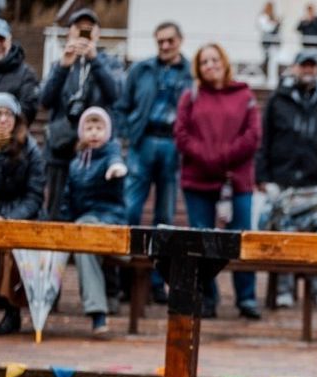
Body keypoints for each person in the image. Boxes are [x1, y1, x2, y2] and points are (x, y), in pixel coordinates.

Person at [174, 43, 261, 320]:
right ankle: (208, 297)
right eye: (204, 61)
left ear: (224, 61)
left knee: (242, 238)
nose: (210, 65)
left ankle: (246, 298)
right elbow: (182, 134)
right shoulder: (191, 97)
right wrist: (208, 159)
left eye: (214, 59)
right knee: (201, 239)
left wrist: (222, 159)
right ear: (198, 68)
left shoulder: (244, 94)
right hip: (198, 180)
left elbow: (252, 136)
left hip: (236, 182)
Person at [114, 21, 193, 304]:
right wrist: (127, 135)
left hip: (172, 144)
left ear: (180, 40)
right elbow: (122, 105)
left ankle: (159, 282)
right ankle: (125, 280)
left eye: (170, 40)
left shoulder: (190, 73)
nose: (165, 46)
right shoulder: (141, 69)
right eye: (160, 41)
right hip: (143, 141)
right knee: (131, 210)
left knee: (165, 216)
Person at [256, 49, 317, 309]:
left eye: (313, 65)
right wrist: (263, 177)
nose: (308, 70)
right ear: (295, 68)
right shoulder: (278, 100)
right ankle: (284, 289)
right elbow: (265, 140)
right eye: (303, 65)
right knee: (284, 234)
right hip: (283, 179)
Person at [40, 7, 123, 219]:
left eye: (89, 29)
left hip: (95, 153)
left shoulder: (110, 62)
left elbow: (115, 95)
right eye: (78, 28)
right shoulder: (59, 63)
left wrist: (95, 60)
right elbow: (45, 100)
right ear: (69, 32)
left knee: (90, 210)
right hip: (61, 150)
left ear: (97, 33)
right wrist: (63, 67)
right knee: (57, 210)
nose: (83, 33)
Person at [59, 107, 127, 336]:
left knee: (85, 238)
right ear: (82, 132)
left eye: (99, 128)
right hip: (83, 226)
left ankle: (98, 313)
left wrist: (117, 169)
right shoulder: (76, 163)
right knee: (82, 242)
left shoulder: (112, 152)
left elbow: (116, 162)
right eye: (89, 128)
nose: (94, 133)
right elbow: (68, 199)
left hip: (110, 223)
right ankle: (98, 311)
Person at [0, 92, 45, 335]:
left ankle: (12, 312)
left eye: (8, 114)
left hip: (23, 215)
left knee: (12, 247)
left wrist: (9, 220)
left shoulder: (31, 150)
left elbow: (35, 195)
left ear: (16, 118)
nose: (3, 120)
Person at [0, 18, 39, 123]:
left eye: (1, 39)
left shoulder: (26, 74)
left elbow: (29, 110)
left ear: (10, 41)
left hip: (11, 135)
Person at [257, 1, 281, 78]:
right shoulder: (263, 16)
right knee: (266, 58)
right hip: (266, 40)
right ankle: (265, 75)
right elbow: (266, 28)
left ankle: (272, 76)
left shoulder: (272, 16)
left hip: (273, 41)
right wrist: (273, 23)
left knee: (273, 60)